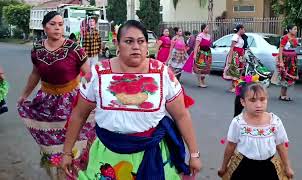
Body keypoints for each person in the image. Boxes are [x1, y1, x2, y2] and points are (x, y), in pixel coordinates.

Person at [61, 20, 202, 180]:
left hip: (152, 156)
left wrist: (194, 154)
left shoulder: (162, 73)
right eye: (129, 41)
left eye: (141, 41)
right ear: (117, 44)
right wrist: (66, 152)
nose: (136, 46)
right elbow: (79, 114)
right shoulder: (97, 74)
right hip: (107, 156)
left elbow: (181, 115)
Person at [17, 11, 95, 179]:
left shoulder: (74, 49)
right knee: (51, 143)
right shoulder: (37, 49)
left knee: (74, 142)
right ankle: (56, 173)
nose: (57, 28)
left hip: (72, 102)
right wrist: (24, 94)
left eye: (60, 24)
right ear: (44, 27)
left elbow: (89, 76)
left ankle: (74, 173)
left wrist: (96, 98)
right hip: (46, 102)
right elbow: (35, 74)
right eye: (53, 24)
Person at [218, 83, 294, 180]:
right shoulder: (238, 122)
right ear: (243, 102)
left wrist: (287, 167)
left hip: (269, 168)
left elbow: (281, 145)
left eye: (262, 100)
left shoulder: (275, 121)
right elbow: (230, 146)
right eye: (252, 100)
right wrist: (223, 166)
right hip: (243, 167)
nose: (258, 105)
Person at [272, 25, 299, 101]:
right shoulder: (285, 38)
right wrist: (281, 61)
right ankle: (283, 95)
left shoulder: (294, 38)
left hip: (292, 59)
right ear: (289, 30)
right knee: (285, 76)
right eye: (295, 29)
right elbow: (280, 49)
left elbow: (294, 47)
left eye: (296, 29)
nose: (296, 30)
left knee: (290, 76)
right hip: (286, 59)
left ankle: (283, 95)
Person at [223, 24, 246, 92]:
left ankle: (235, 86)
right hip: (235, 54)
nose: (244, 31)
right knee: (234, 69)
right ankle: (233, 86)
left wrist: (242, 56)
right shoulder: (235, 36)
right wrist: (230, 58)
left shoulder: (241, 37)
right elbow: (232, 47)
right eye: (243, 29)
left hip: (240, 55)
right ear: (240, 29)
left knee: (238, 70)